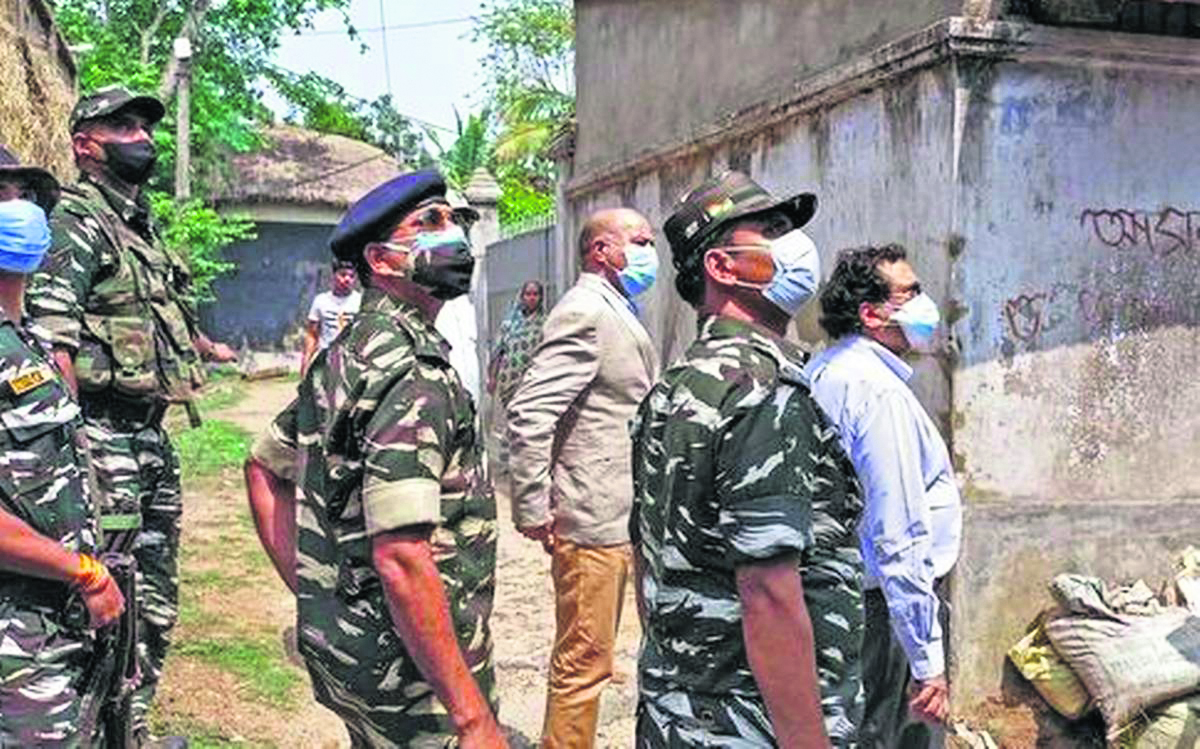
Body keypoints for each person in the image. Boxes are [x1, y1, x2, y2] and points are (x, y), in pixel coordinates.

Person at [243, 170, 506, 748]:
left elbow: (263, 467)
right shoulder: (412, 372)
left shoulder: (347, 352)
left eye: (456, 220)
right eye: (430, 222)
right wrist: (471, 718)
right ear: (381, 260)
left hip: (357, 653)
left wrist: (320, 597)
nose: (454, 235)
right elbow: (402, 555)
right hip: (413, 675)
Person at [25, 85, 237, 745]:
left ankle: (132, 729)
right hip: (99, 436)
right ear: (85, 144)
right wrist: (70, 449)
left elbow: (154, 319)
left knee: (153, 600)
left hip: (148, 437)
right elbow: (53, 339)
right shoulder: (75, 221)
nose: (141, 137)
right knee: (104, 593)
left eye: (144, 126)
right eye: (122, 126)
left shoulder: (141, 227)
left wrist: (205, 349)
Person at [631, 171, 865, 748]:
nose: (794, 244)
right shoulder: (763, 390)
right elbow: (768, 590)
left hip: (677, 713)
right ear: (722, 266)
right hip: (752, 724)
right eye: (772, 230)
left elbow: (648, 558)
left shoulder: (675, 387)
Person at [506, 208, 659, 749]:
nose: (649, 253)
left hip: (621, 511)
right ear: (601, 251)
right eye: (639, 242)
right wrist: (532, 506)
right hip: (592, 517)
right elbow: (530, 412)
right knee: (585, 661)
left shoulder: (617, 307)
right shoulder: (584, 311)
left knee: (605, 654)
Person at [804, 245, 963, 748]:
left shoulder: (826, 370)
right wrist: (926, 658)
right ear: (872, 315)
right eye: (910, 293)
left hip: (845, 597)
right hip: (883, 609)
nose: (924, 303)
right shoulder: (878, 393)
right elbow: (898, 531)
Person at [0, 164, 126, 746]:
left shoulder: (32, 341)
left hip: (57, 621)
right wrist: (85, 572)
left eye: (23, 193)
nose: (16, 204)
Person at [486, 281, 545, 474]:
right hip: (508, 381)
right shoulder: (509, 323)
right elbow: (498, 351)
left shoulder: (545, 324)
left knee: (530, 423)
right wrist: (492, 377)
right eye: (528, 294)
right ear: (521, 296)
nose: (531, 298)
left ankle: (528, 465)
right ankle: (509, 464)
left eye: (535, 294)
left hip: (532, 383)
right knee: (510, 423)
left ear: (541, 297)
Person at [301, 259, 361, 373]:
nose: (347, 279)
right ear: (333, 276)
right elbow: (312, 334)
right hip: (326, 361)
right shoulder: (321, 301)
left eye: (351, 276)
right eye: (343, 275)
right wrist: (306, 361)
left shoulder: (360, 302)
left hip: (352, 362)